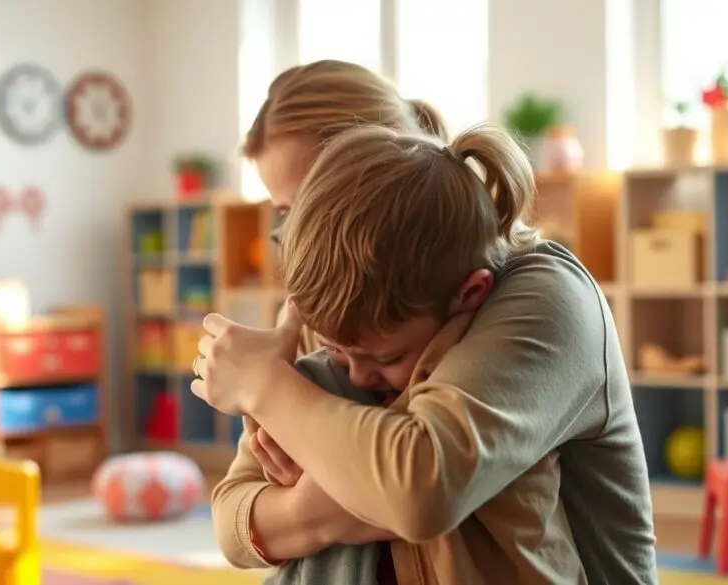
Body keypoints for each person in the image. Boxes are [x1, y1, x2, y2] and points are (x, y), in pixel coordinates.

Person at [196, 114, 658, 583]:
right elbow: (232, 519)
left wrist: (263, 384)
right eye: (285, 215)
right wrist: (316, 508)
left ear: (469, 294)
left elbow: (418, 491)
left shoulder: (537, 301)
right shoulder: (346, 325)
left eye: (388, 358)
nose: (357, 375)